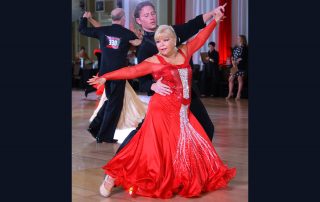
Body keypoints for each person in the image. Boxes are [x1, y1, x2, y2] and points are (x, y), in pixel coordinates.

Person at [89, 4, 235, 198]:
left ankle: (184, 174)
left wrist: (215, 19)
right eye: (159, 41)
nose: (162, 44)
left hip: (183, 109)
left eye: (166, 40)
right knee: (145, 146)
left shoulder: (184, 51)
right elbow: (132, 72)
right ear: (139, 20)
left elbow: (199, 34)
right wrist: (107, 77)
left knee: (191, 140)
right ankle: (113, 175)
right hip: (162, 108)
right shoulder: (153, 57)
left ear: (174, 40)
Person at [79, 8, 141, 143]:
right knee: (114, 104)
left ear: (112, 18)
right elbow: (139, 44)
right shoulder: (127, 33)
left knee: (111, 101)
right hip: (118, 75)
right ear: (123, 18)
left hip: (105, 75)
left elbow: (82, 30)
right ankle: (102, 135)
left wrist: (85, 18)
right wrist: (139, 37)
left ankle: (96, 128)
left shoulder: (104, 31)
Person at [226, 35, 248, 100]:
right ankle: (230, 93)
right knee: (230, 79)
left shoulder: (245, 47)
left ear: (242, 39)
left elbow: (244, 57)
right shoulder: (236, 47)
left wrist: (237, 61)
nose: (238, 39)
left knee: (239, 79)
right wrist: (232, 60)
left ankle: (238, 94)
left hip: (241, 66)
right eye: (238, 38)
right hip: (234, 66)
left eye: (239, 38)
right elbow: (232, 55)